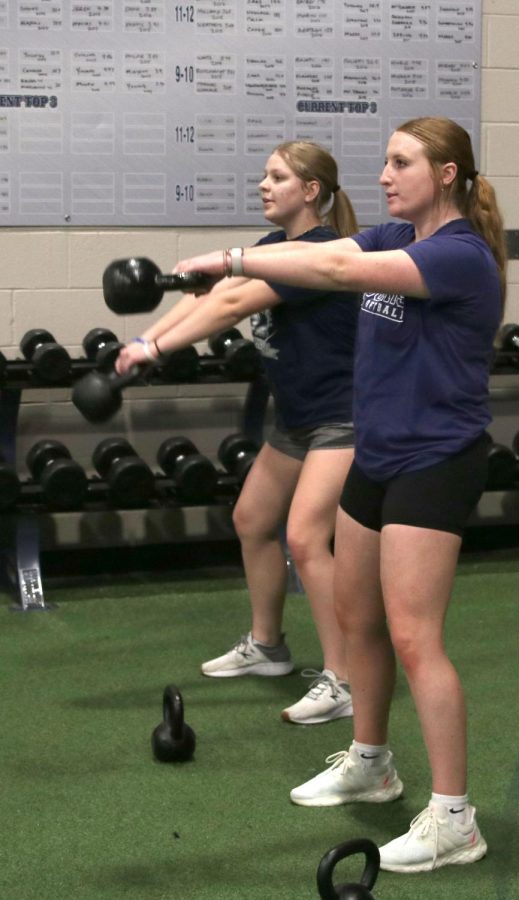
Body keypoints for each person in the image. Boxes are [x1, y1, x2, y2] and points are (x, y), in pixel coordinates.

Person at [169, 117, 507, 874]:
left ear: (447, 173)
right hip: (378, 455)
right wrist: (226, 273)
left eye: (402, 162)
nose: (385, 175)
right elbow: (325, 252)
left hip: (436, 458)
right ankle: (372, 761)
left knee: (416, 636)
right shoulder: (393, 235)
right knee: (358, 623)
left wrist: (230, 258)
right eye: (384, 162)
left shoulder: (459, 256)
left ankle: (455, 818)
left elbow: (336, 274)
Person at [116, 141, 361, 725]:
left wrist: (153, 347)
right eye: (263, 175)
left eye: (277, 176)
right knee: (252, 519)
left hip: (344, 418)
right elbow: (217, 294)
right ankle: (269, 647)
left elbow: (233, 307)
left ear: (311, 191)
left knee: (305, 538)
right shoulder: (275, 248)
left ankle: (345, 678)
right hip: (299, 418)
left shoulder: (318, 252)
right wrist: (147, 339)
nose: (263, 185)